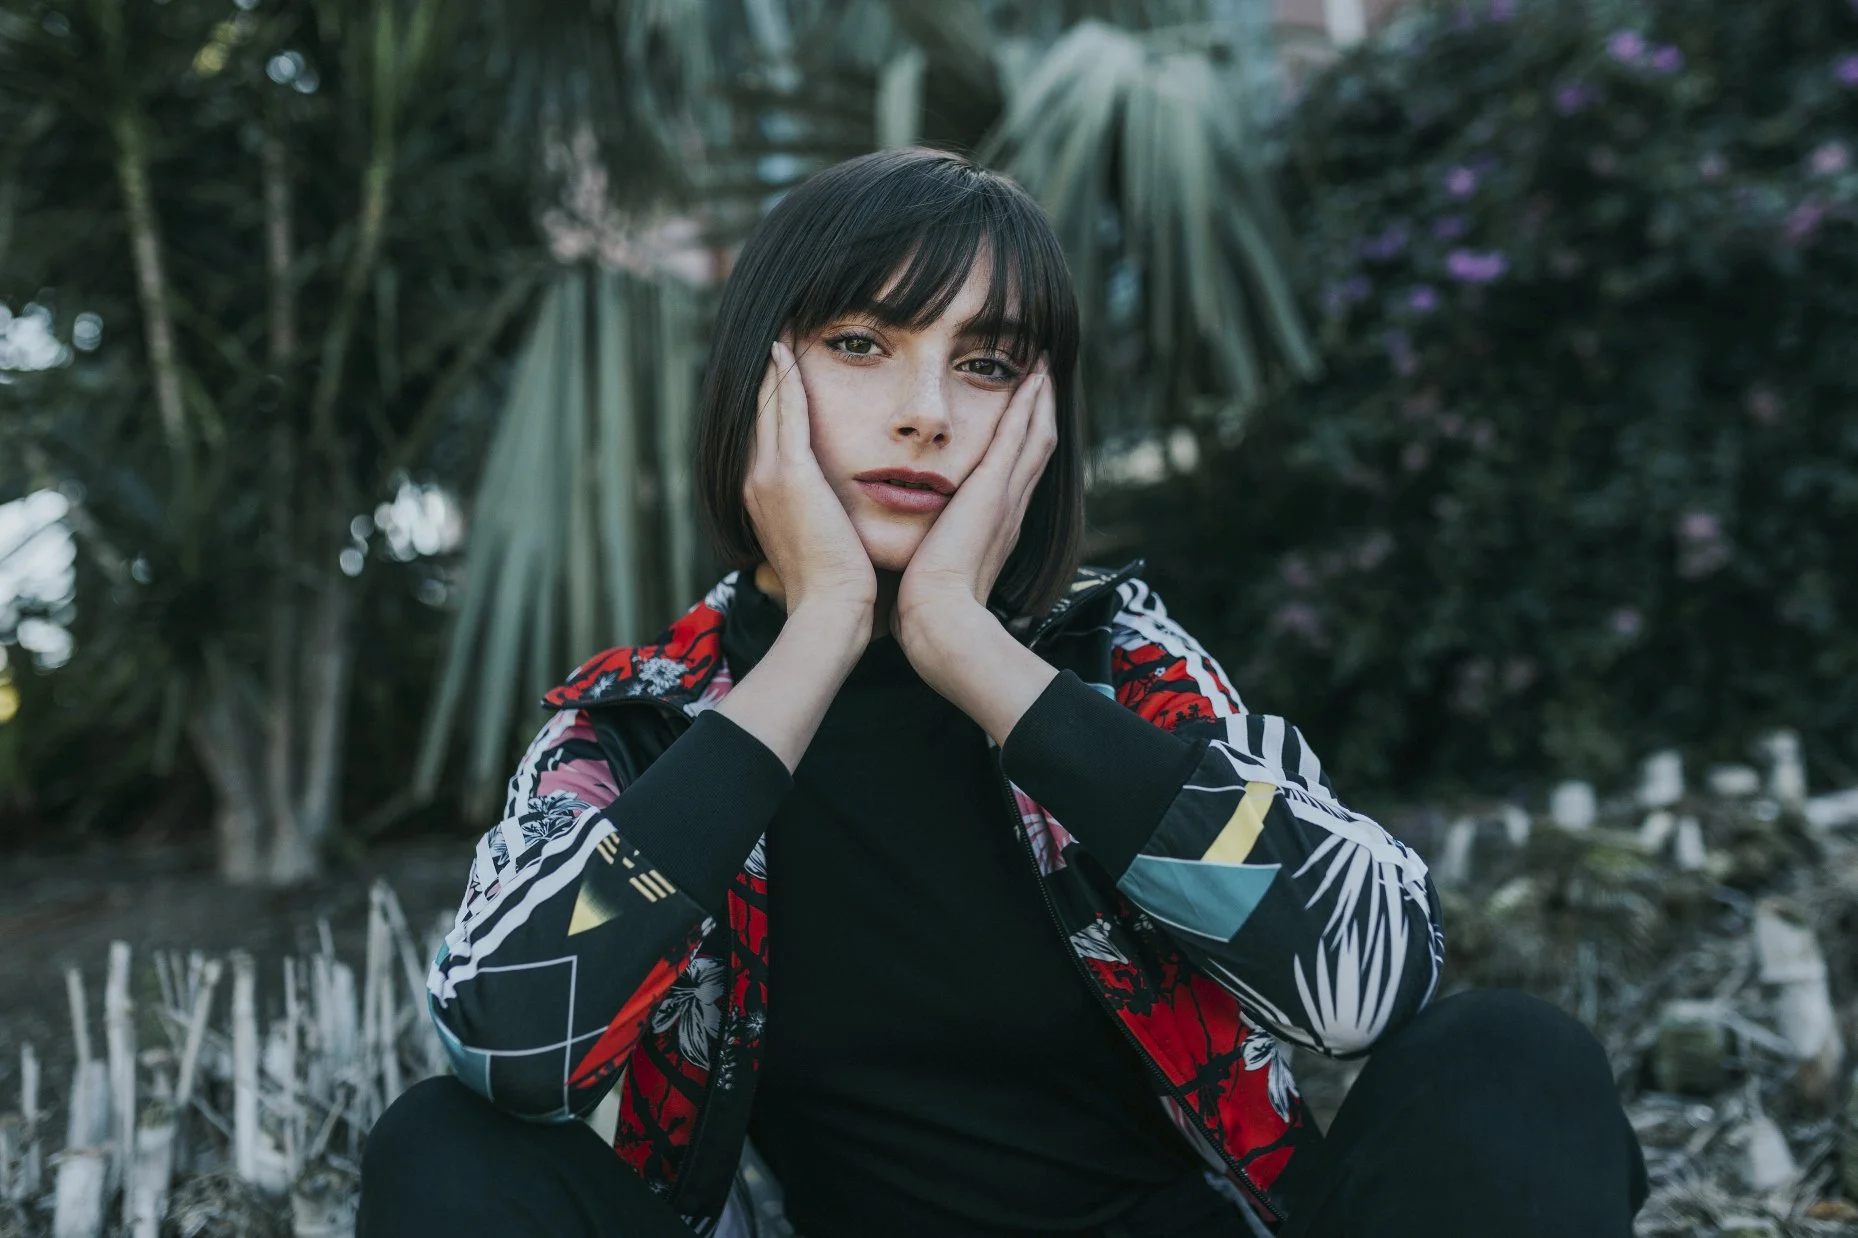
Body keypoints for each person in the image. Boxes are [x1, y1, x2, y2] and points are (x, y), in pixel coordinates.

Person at [359, 149, 1647, 1238]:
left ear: (1035, 416)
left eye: (985, 363)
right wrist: (814, 638)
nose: (925, 412)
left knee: (1513, 1066)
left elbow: (1369, 979)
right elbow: (505, 1040)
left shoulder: (1112, 669)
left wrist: (971, 650)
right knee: (449, 1150)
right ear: (760, 375)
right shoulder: (639, 732)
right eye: (862, 343)